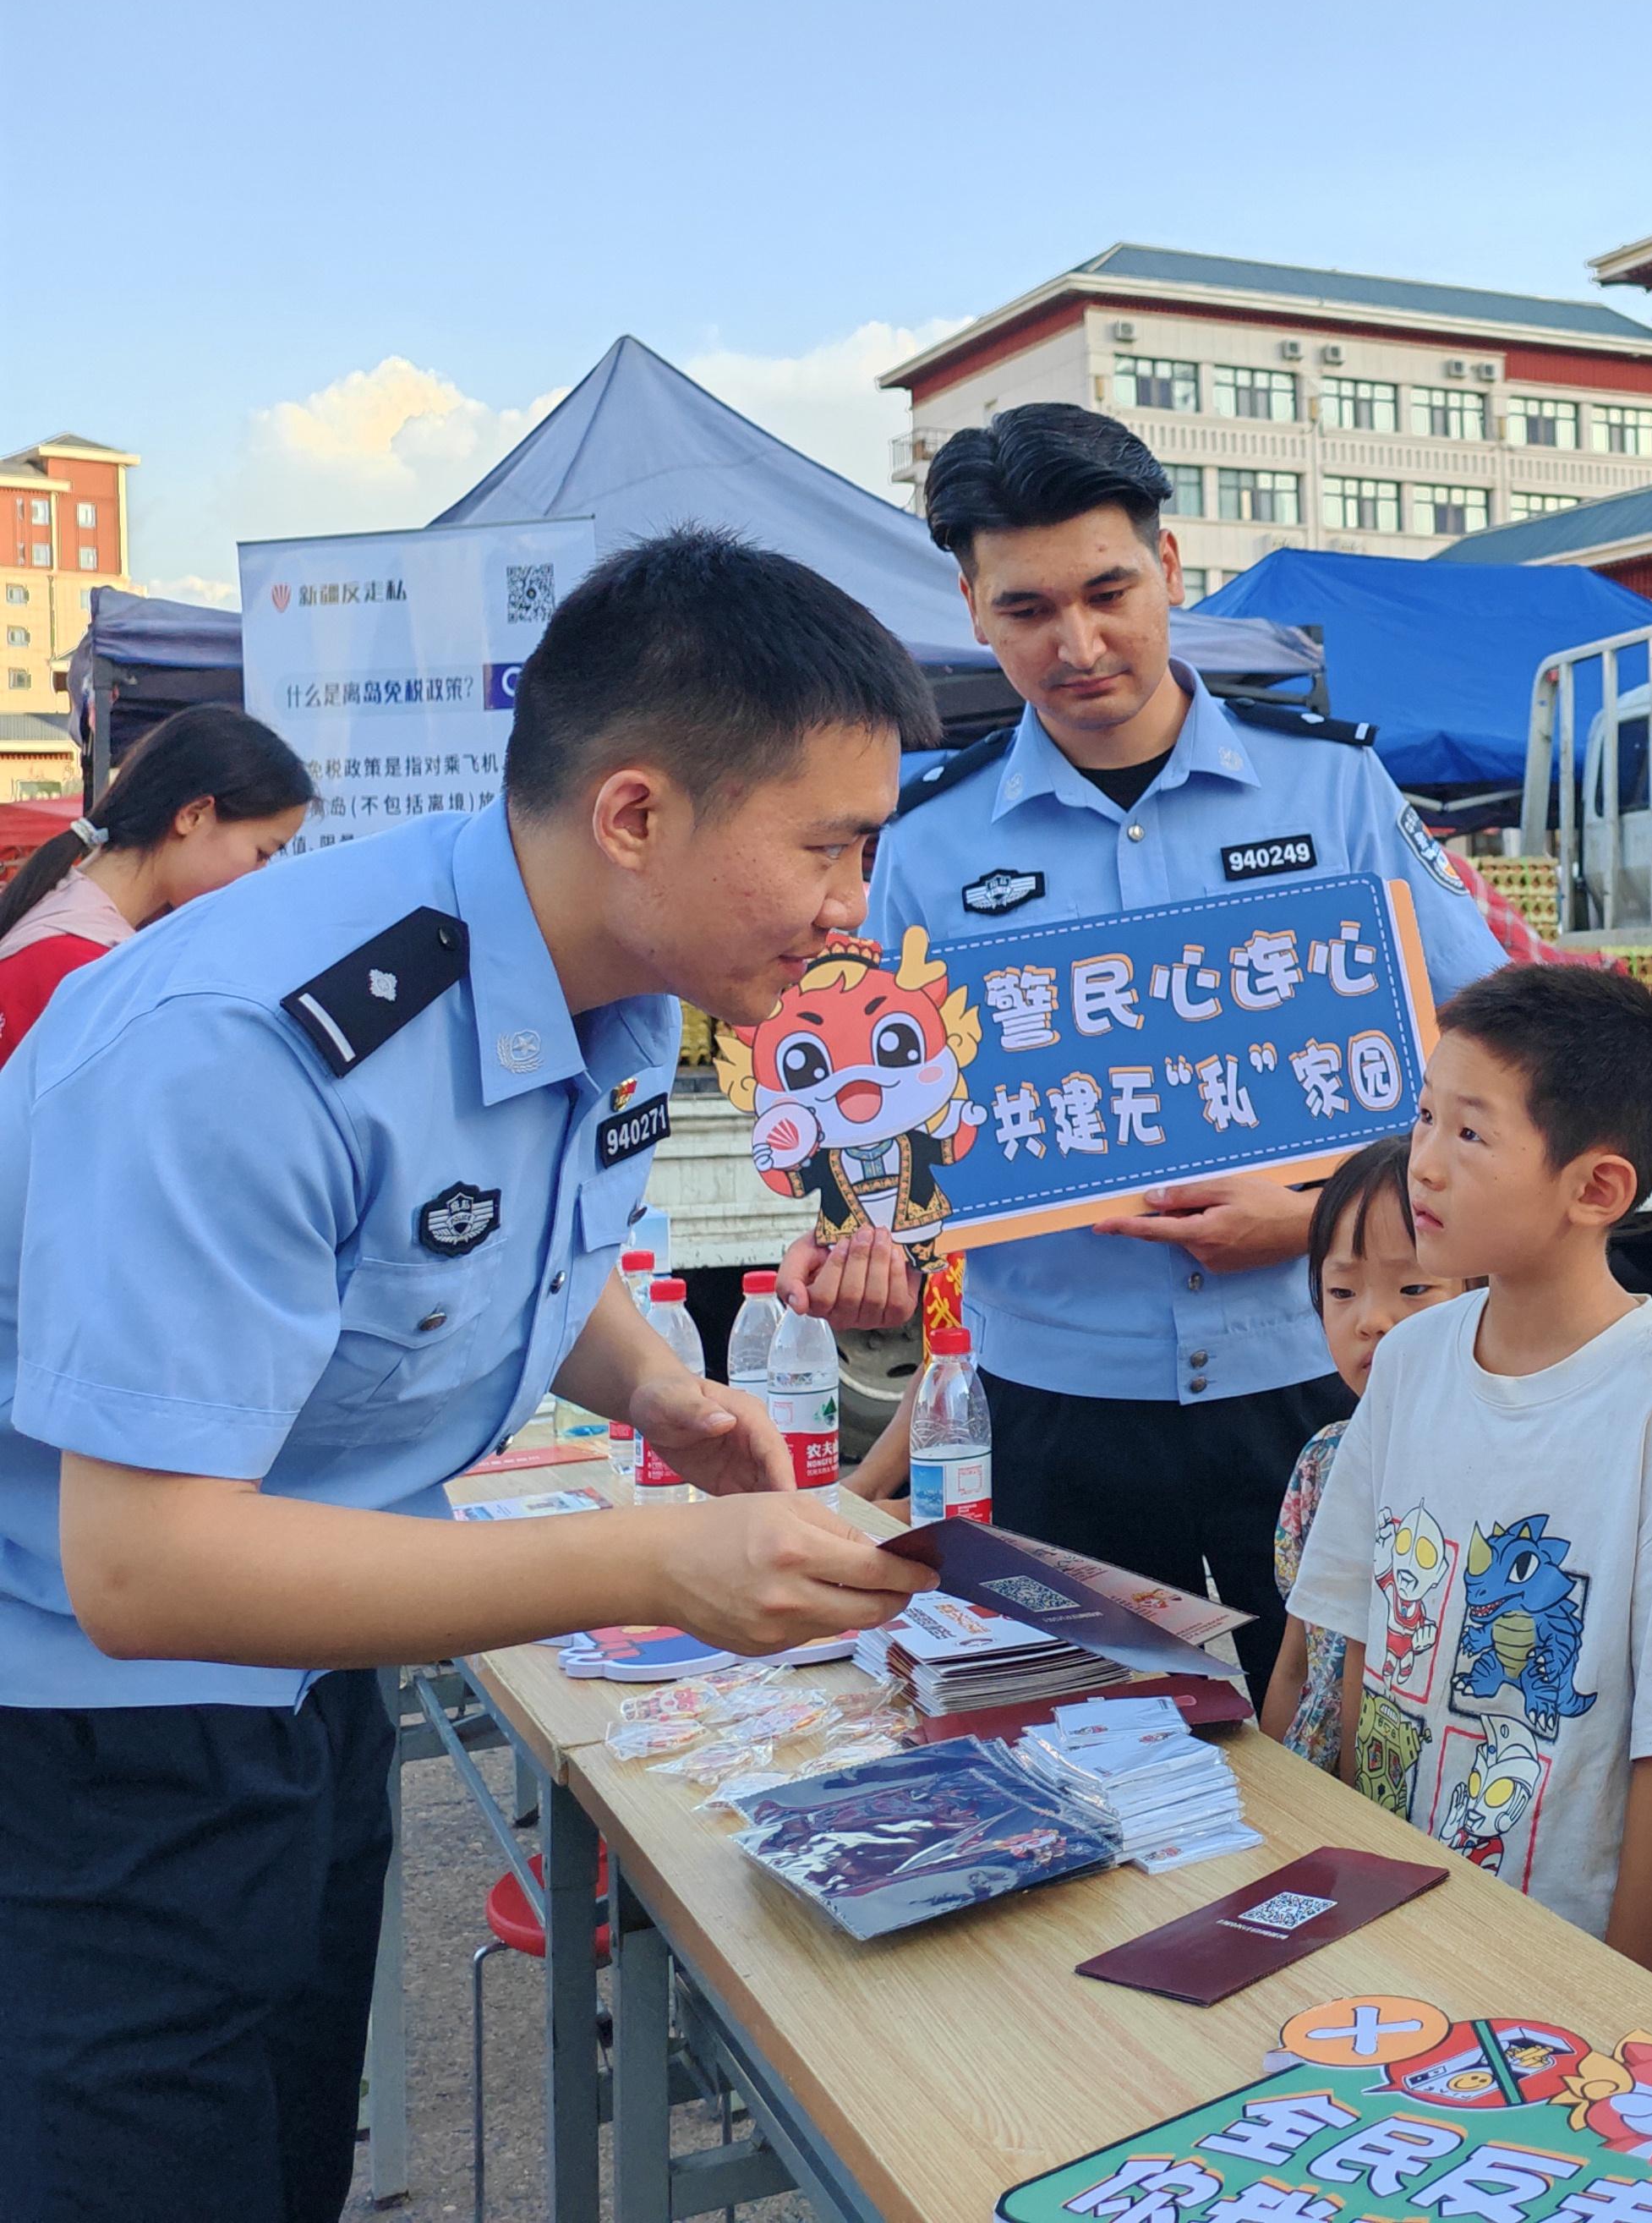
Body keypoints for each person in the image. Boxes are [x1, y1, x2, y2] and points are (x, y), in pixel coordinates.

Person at [0, 530, 937, 2223]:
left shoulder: (606, 971)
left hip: (306, 1665)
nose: (850, 906)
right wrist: (655, 1562)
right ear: (636, 812)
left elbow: (470, 1240)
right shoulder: (251, 1046)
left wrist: (655, 1392)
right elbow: (143, 1567)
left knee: (285, 2143)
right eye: (829, 845)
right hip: (85, 1737)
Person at [834, 404, 1504, 1693]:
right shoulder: (922, 844)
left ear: (1171, 569)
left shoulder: (1333, 789)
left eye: (1109, 593)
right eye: (1028, 609)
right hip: (1055, 1406)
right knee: (1084, 1750)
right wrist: (862, 1237)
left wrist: (1313, 1218)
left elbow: (1487, 1056)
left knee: (1349, 1735)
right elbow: (880, 1134)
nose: (1078, 645)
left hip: (1317, 1377)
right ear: (973, 610)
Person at [1286, 962, 1652, 1964]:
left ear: (1596, 1188)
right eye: (1424, 1117)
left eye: (1470, 1135)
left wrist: (1626, 1985)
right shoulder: (1412, 1362)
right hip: (1396, 1919)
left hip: (1559, 1952)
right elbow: (1355, 1627)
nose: (1423, 1165)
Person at [1258, 1133, 1452, 1772]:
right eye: (1343, 1293)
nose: (1372, 1320)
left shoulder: (1479, 1470)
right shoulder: (1323, 1462)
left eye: (1414, 1289)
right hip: (1314, 1786)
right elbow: (1296, 1661)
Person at [0, 704, 312, 1069]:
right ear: (193, 815)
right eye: (262, 852)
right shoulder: (88, 969)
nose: (260, 873)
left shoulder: (61, 920)